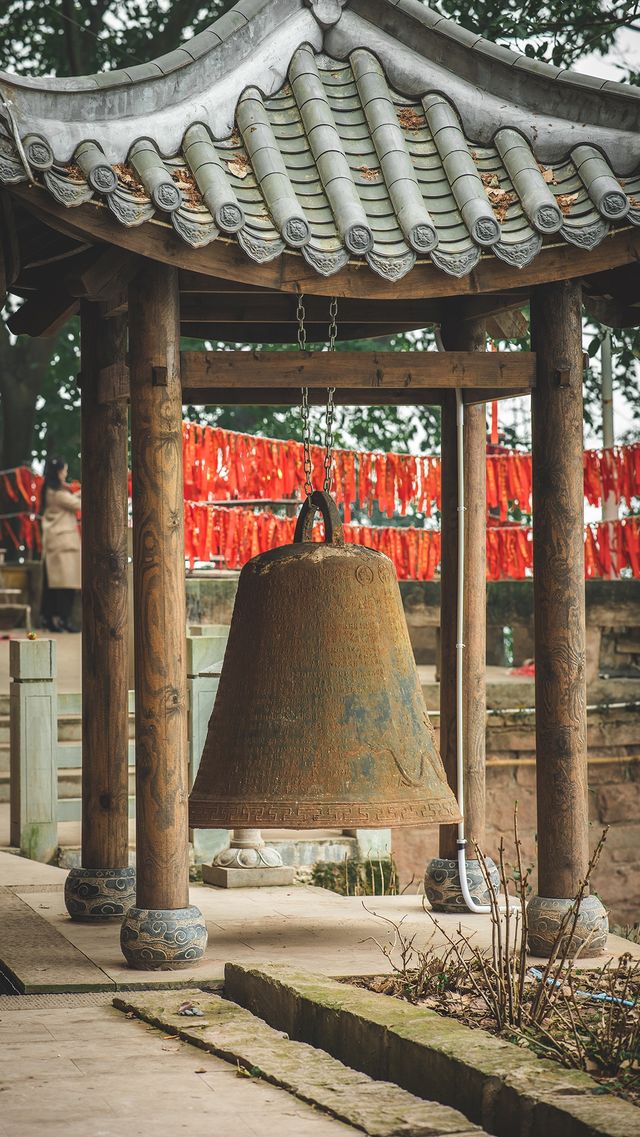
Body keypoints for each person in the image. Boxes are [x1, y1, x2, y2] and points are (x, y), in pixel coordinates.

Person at [40, 457, 81, 633]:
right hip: (63, 544)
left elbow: (71, 499)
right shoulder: (57, 493)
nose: (66, 473)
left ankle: (50, 619)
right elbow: (77, 504)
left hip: (56, 543)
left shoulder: (50, 490)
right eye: (64, 470)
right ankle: (64, 619)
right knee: (66, 586)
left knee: (54, 586)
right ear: (58, 472)